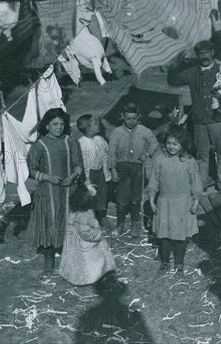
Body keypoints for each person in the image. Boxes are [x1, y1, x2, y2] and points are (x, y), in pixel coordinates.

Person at [167, 41, 221, 198]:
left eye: (207, 52)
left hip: (220, 121)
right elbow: (173, 80)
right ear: (197, 55)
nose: (204, 56)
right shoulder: (191, 72)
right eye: (201, 53)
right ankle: (201, 184)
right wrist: (176, 62)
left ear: (212, 52)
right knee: (201, 155)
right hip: (199, 122)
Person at [26, 108, 84, 278]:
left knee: (67, 224)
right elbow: (31, 169)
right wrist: (48, 177)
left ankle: (69, 259)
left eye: (62, 124)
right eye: (55, 124)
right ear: (46, 125)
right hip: (47, 193)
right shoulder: (40, 145)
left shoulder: (70, 142)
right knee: (50, 225)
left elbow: (78, 164)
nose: (59, 127)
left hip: (67, 193)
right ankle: (49, 261)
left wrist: (73, 176)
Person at [148, 125, 203, 275]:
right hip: (164, 202)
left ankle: (179, 263)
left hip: (183, 204)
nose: (171, 147)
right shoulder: (159, 159)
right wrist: (152, 200)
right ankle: (165, 262)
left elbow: (196, 183)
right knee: (164, 235)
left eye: (175, 144)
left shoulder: (189, 162)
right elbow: (154, 182)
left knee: (180, 237)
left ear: (183, 144)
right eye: (168, 143)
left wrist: (196, 201)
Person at [108, 103, 159, 238]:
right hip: (121, 168)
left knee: (136, 198)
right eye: (128, 118)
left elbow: (154, 143)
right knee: (122, 198)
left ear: (138, 117)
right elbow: (111, 152)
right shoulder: (116, 132)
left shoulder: (144, 130)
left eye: (134, 118)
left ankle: (135, 224)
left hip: (137, 167)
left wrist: (147, 154)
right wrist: (113, 169)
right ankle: (120, 224)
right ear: (122, 117)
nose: (131, 121)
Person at [59, 183, 117, 286]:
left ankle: (72, 273)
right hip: (85, 244)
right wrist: (98, 234)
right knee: (91, 259)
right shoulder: (83, 216)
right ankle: (93, 275)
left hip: (74, 242)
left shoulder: (74, 212)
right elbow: (87, 234)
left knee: (75, 260)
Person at [77, 114, 112, 226]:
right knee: (90, 195)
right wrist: (87, 182)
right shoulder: (83, 144)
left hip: (100, 171)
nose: (99, 125)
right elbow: (84, 166)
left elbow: (105, 155)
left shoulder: (100, 139)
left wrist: (106, 174)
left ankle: (101, 216)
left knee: (102, 194)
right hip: (89, 174)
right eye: (96, 123)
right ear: (89, 128)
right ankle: (90, 218)